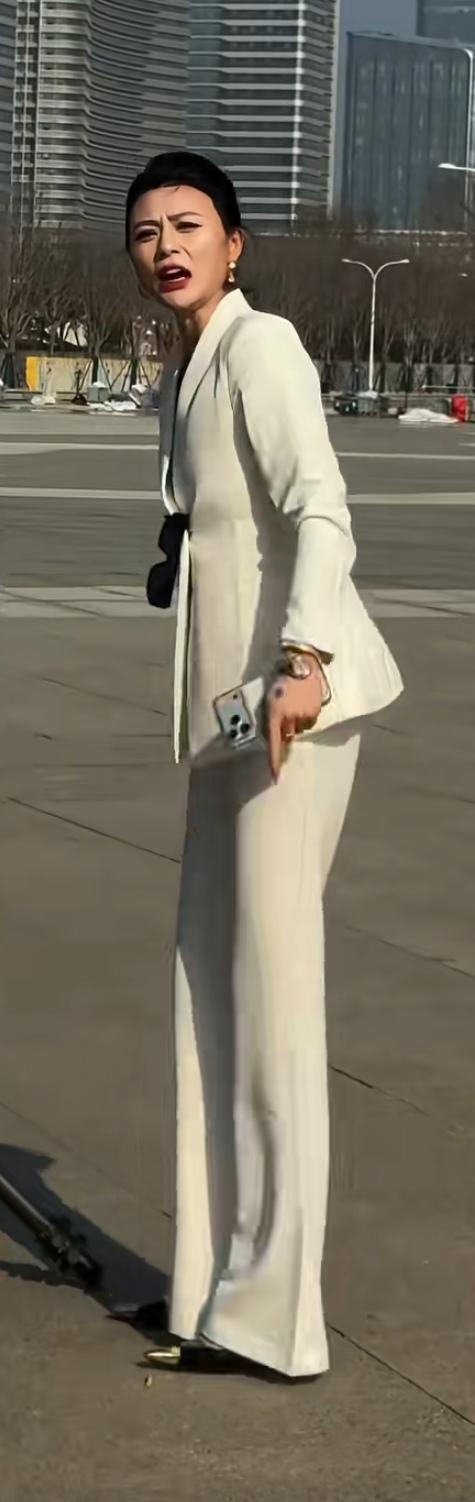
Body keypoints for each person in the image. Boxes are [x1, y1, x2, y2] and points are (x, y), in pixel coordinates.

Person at [123, 150, 403, 1379]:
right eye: (146, 231)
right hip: (229, 722)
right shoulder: (189, 364)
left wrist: (302, 659)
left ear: (233, 242)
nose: (166, 247)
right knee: (212, 984)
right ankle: (211, 1285)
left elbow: (321, 507)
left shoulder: (264, 346)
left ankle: (276, 1318)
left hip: (293, 708)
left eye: (188, 225)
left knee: (273, 1001)